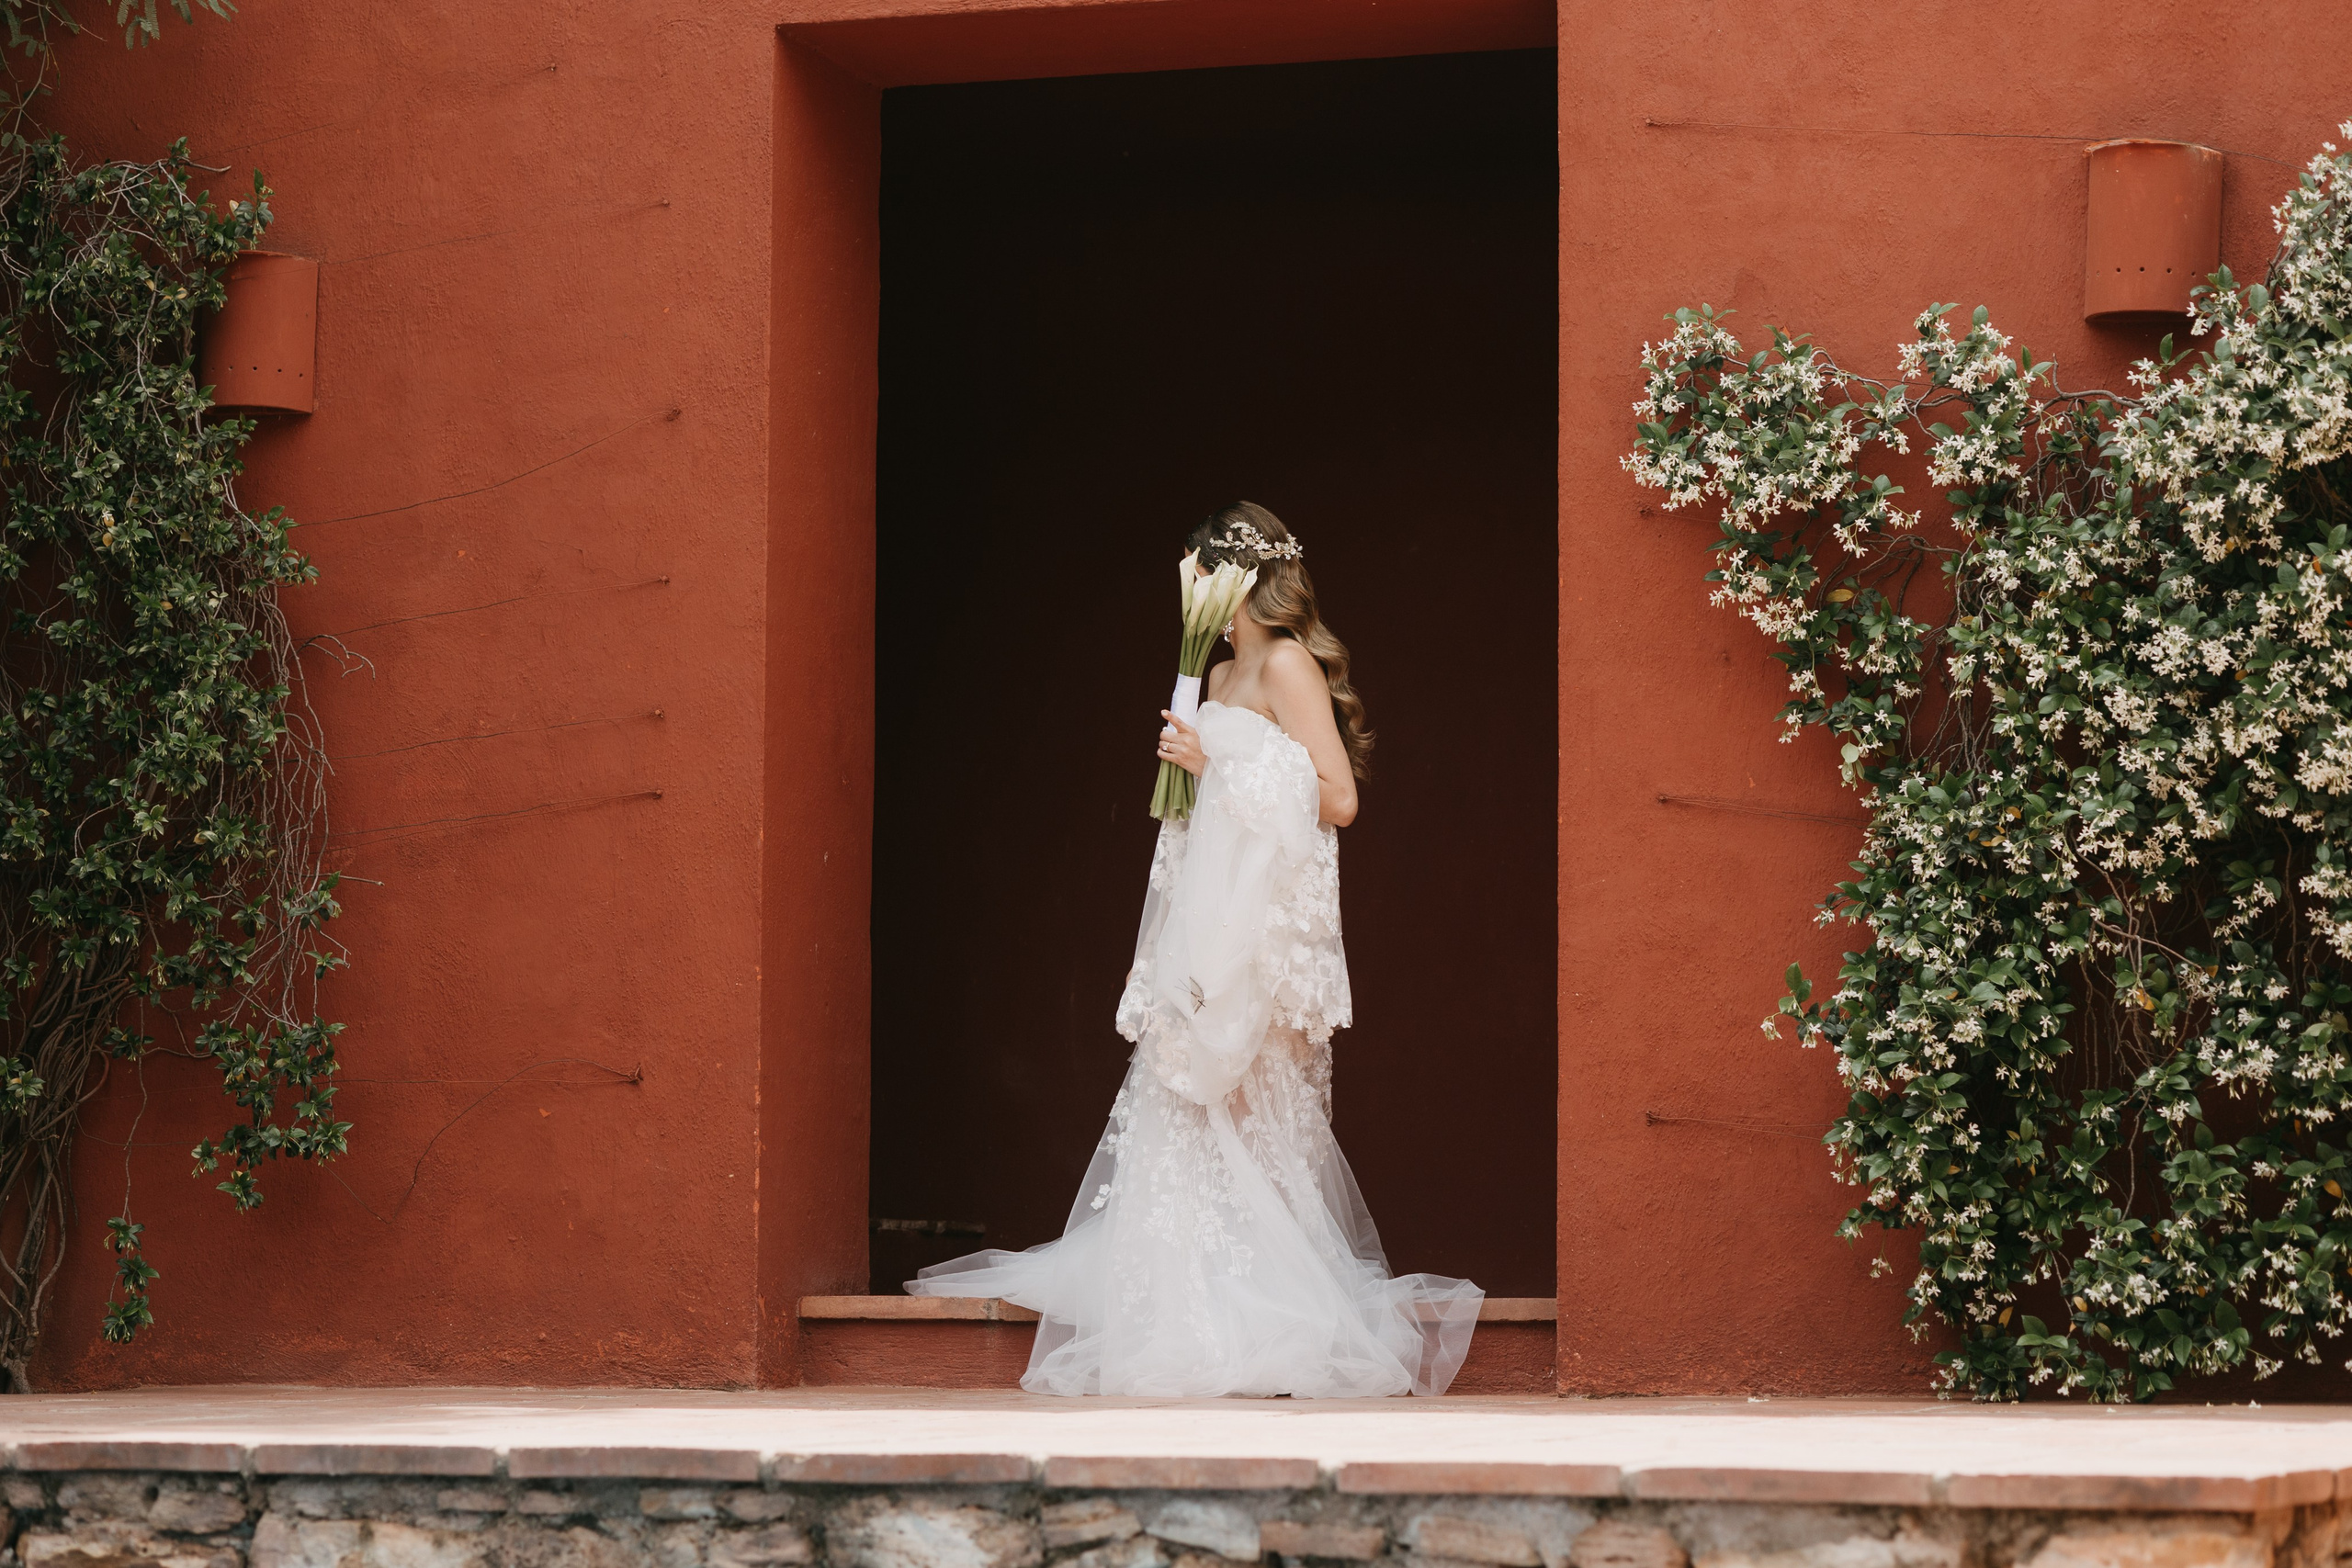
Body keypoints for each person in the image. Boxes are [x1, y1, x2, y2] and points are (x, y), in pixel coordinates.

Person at [905, 502, 1482, 1397]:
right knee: (1187, 1119)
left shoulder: (1287, 665)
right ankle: (1188, 1320)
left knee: (1259, 1127)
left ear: (1236, 579)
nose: (1192, 593)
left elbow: (1336, 798)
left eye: (1200, 574)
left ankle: (1276, 1321)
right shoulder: (1211, 676)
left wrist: (1223, 768)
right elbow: (1199, 819)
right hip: (1203, 928)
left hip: (1262, 930)